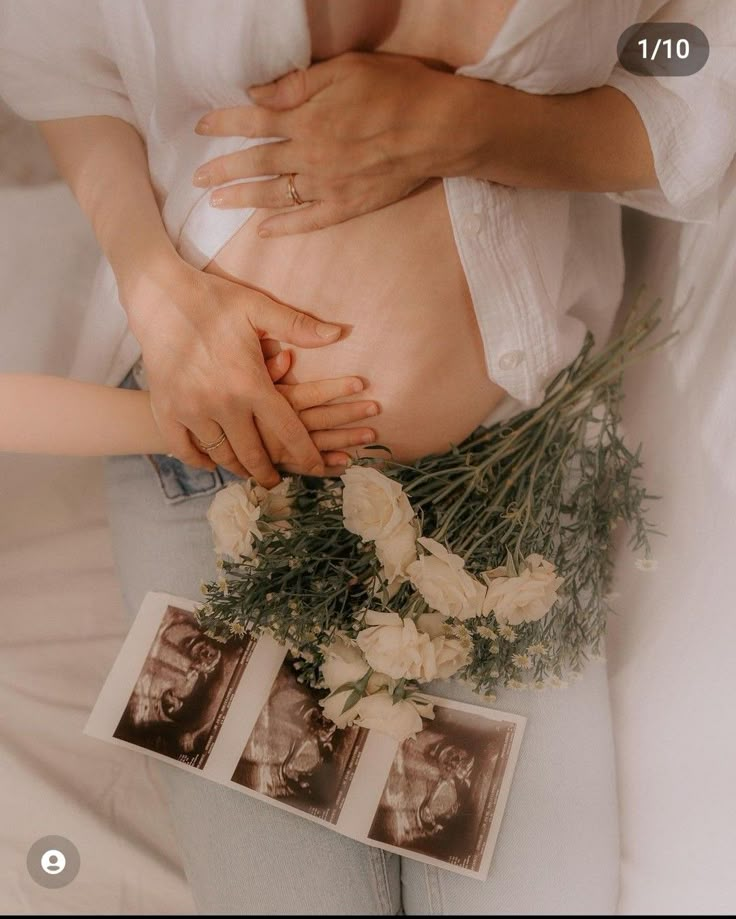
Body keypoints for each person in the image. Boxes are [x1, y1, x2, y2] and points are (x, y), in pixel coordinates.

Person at [1, 0, 734, 913]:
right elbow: (56, 53)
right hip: (219, 484)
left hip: (509, 492)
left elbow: (705, 77)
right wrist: (150, 283)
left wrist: (476, 129)